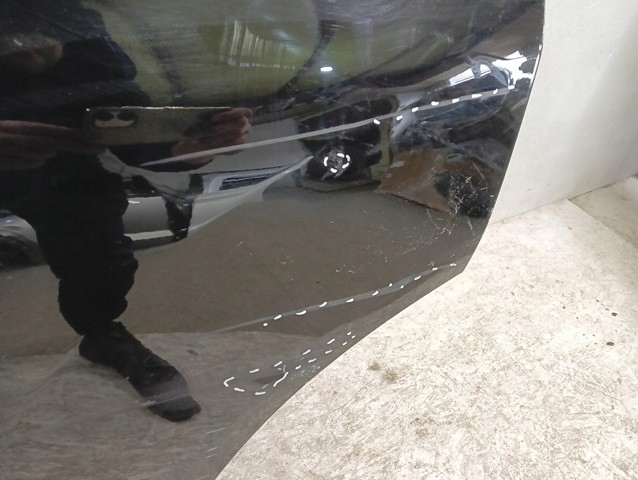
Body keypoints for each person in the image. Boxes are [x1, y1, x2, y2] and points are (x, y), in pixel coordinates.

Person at [0, 0, 250, 421]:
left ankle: (103, 334)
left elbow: (126, 123)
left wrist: (187, 149)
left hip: (57, 167)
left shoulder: (75, 29)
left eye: (41, 39)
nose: (33, 49)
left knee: (100, 248)